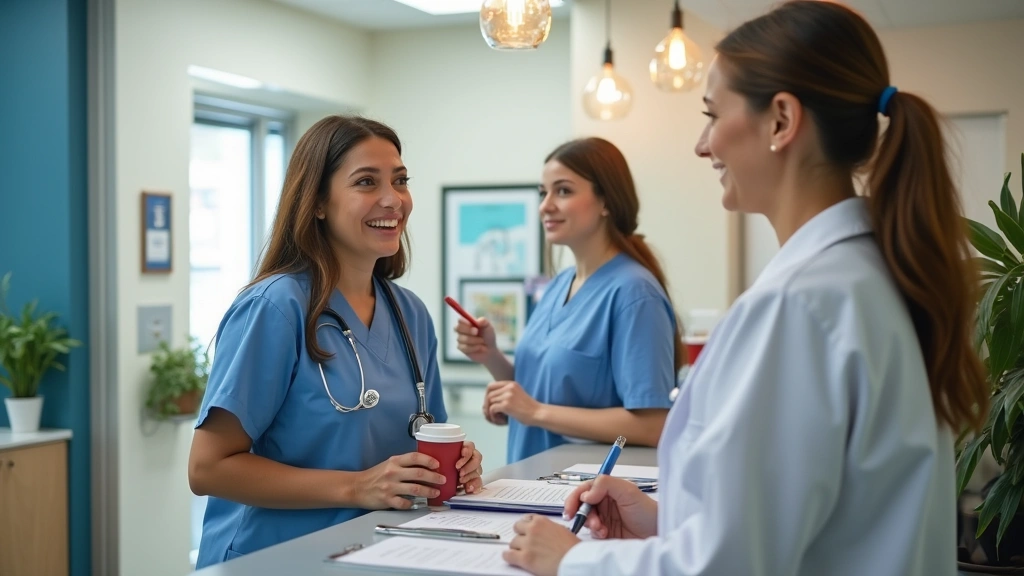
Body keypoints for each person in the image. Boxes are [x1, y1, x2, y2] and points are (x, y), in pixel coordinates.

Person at [501, 2, 989, 575]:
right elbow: (808, 516)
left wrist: (576, 562)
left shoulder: (800, 306)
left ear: (781, 120)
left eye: (712, 114)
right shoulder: (868, 278)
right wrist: (664, 521)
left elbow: (728, 564)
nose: (703, 145)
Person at [187, 115, 484, 567]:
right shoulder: (275, 308)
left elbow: (425, 444)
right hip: (273, 558)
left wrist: (457, 465)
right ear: (318, 202)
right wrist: (356, 486)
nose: (393, 199)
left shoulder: (411, 315)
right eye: (366, 182)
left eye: (400, 180)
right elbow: (207, 468)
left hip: (377, 553)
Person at [456, 137, 683, 463]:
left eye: (563, 191)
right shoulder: (558, 285)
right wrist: (491, 356)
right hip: (529, 483)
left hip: (581, 499)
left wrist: (535, 411)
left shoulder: (634, 294)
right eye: (542, 192)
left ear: (606, 200)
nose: (545, 205)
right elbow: (542, 392)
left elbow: (653, 427)